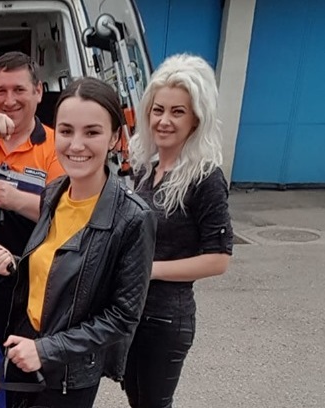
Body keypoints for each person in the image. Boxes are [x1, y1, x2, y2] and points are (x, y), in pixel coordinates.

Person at [0, 77, 156, 407]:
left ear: (114, 137)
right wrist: (14, 264)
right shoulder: (54, 192)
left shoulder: (133, 217)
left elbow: (122, 316)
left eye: (91, 132)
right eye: (66, 131)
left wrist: (45, 350)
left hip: (65, 376)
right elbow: (58, 273)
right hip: (22, 350)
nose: (76, 145)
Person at [123, 54, 233, 408]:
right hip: (131, 312)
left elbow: (218, 259)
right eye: (158, 110)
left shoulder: (205, 177)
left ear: (196, 118)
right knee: (137, 399)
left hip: (166, 318)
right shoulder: (146, 168)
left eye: (177, 112)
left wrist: (150, 270)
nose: (164, 120)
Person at [0, 51, 65, 345]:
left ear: (38, 92)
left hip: (26, 277)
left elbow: (67, 217)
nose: (9, 100)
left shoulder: (56, 146)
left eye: (19, 90)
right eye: (1, 91)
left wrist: (16, 199)